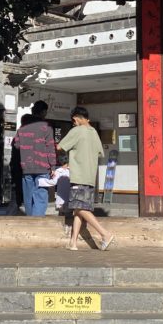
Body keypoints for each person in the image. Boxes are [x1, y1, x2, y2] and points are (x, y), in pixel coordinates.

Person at [57, 106, 115, 251]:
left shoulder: (77, 131)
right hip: (90, 176)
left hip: (79, 175)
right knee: (79, 210)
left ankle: (105, 234)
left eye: (73, 121)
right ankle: (73, 243)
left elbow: (60, 147)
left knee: (78, 207)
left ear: (75, 118)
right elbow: (100, 153)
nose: (73, 123)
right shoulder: (94, 132)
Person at [13, 100, 56, 216]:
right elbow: (50, 147)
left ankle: (30, 220)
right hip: (43, 167)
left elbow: (16, 145)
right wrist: (52, 166)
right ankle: (37, 222)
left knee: (28, 197)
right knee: (40, 196)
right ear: (43, 112)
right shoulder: (47, 127)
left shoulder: (22, 128)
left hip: (26, 167)